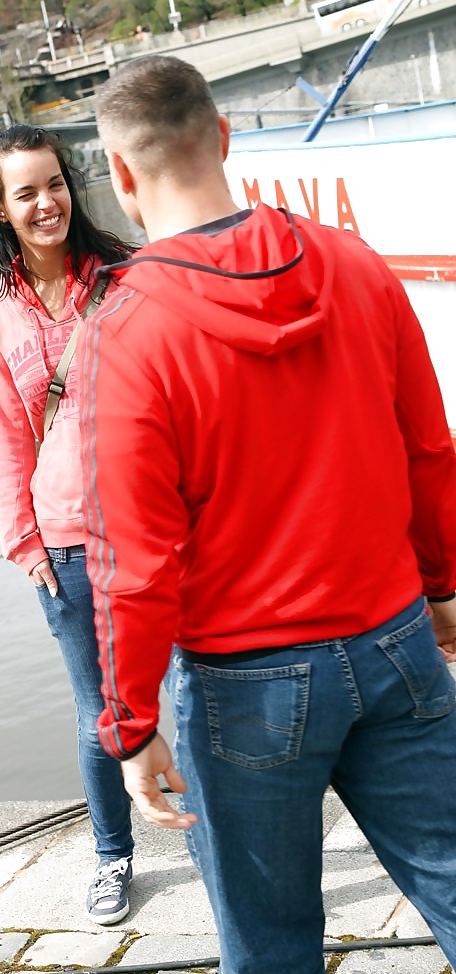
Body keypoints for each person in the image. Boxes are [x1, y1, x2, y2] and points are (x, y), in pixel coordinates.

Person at [80, 54, 456, 973]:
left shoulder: (127, 330)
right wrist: (443, 585)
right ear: (224, 136)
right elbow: (429, 450)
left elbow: (133, 562)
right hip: (393, 635)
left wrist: (130, 727)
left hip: (246, 681)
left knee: (269, 940)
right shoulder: (353, 263)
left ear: (121, 177)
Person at [0, 123, 136, 924]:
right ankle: (114, 856)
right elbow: (8, 434)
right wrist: (24, 541)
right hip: (65, 540)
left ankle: (221, 842)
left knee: (187, 700)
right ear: (2, 210)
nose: (48, 203)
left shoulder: (127, 277)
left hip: (149, 531)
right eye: (26, 192)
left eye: (56, 183)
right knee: (96, 713)